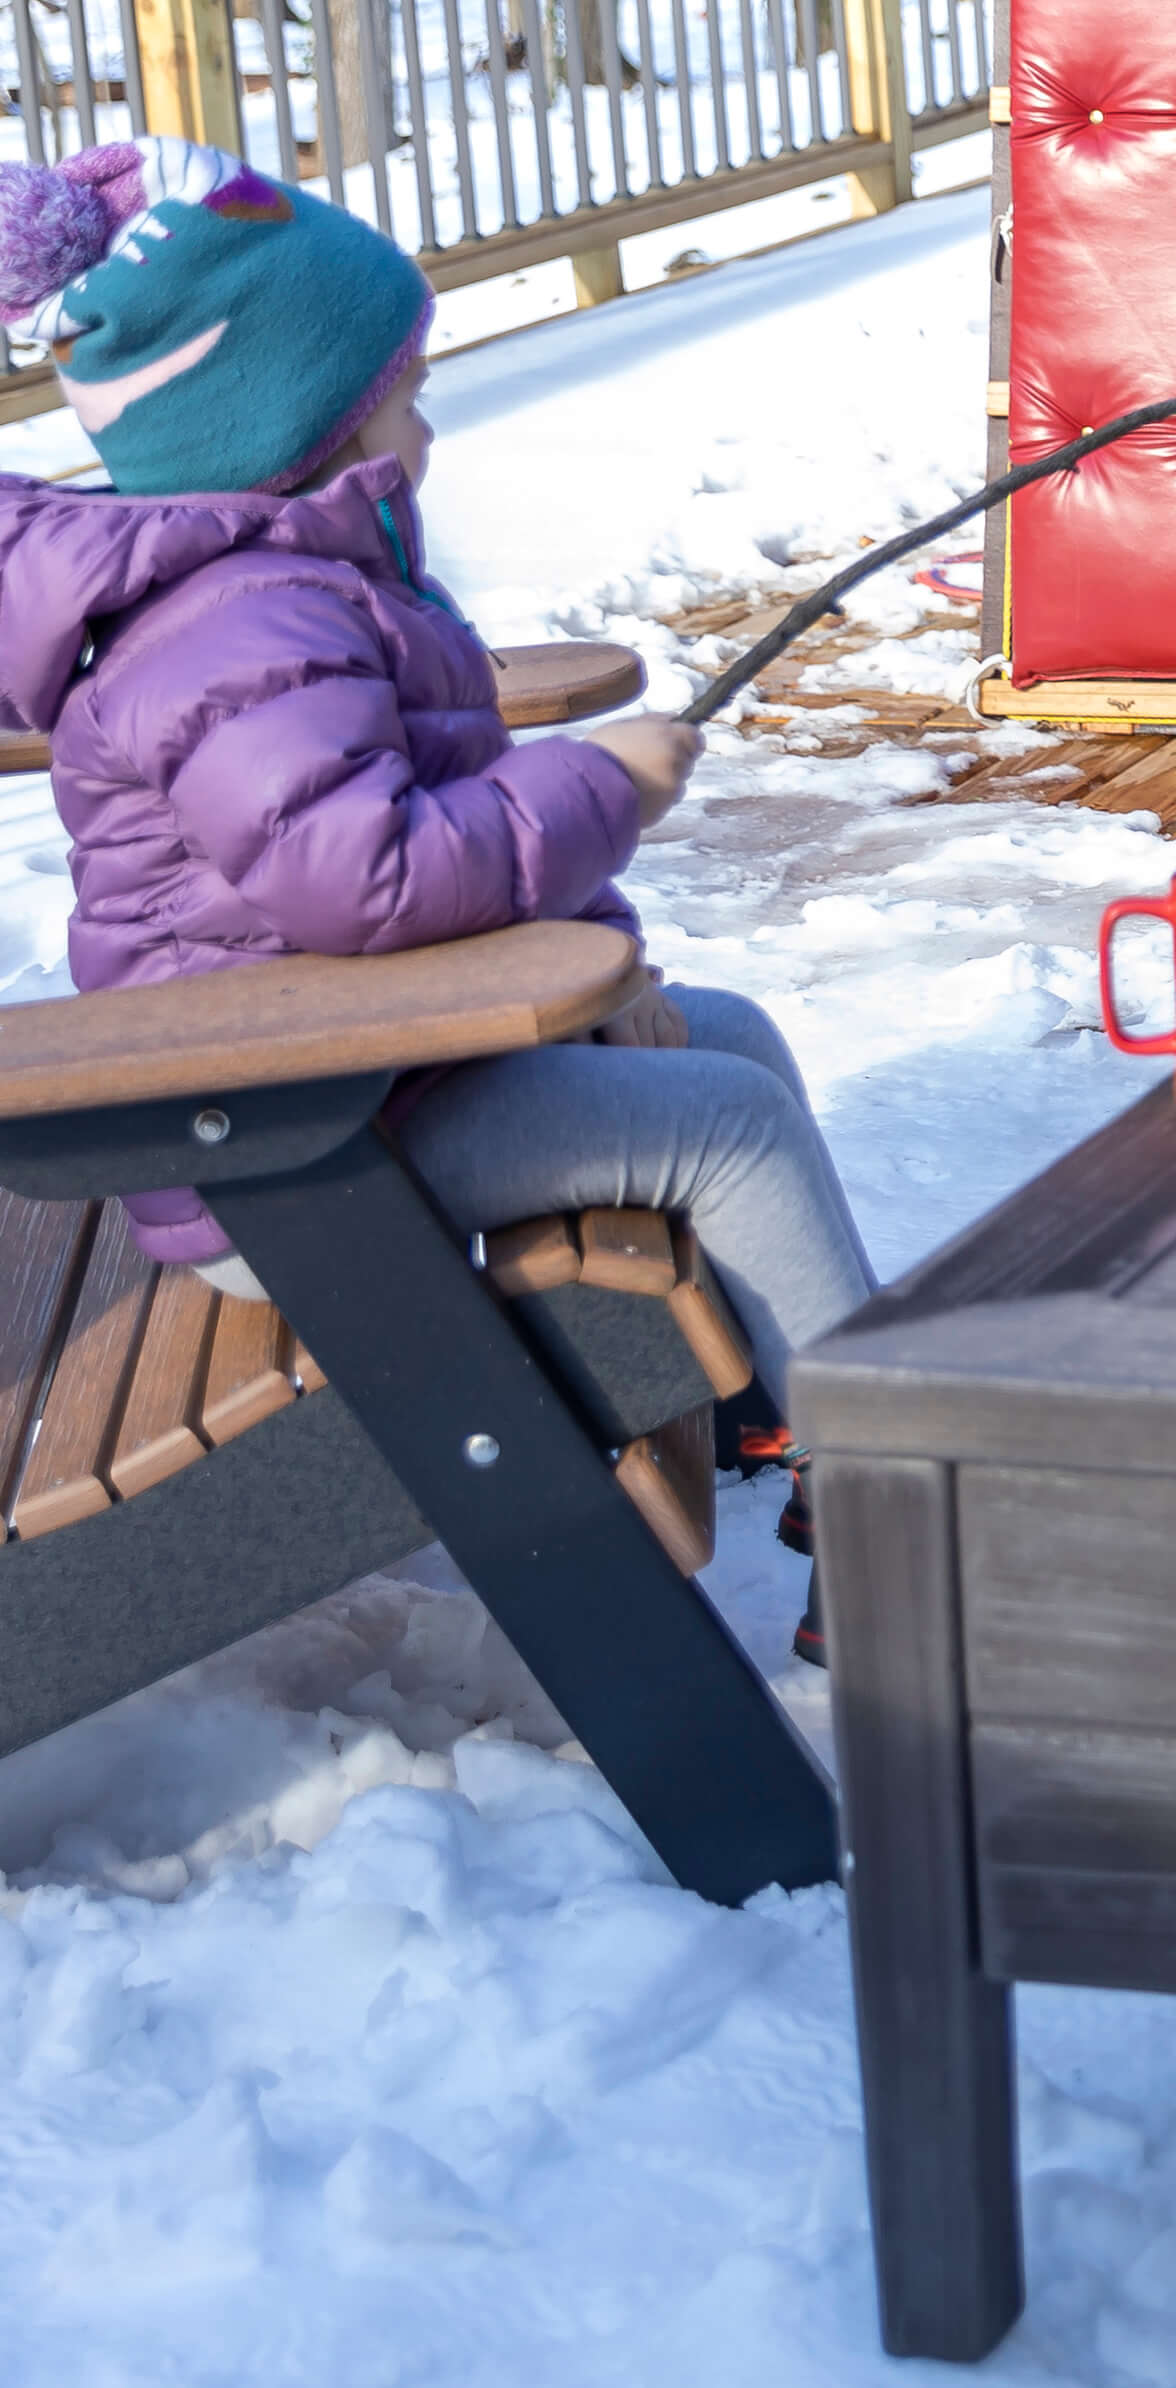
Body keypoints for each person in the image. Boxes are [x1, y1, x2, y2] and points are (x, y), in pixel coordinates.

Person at [0, 139, 875, 1660]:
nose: (426, 415)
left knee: (723, 1039)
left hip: (348, 1078)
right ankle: (905, 1532)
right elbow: (369, 876)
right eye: (399, 389)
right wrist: (604, 785)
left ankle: (784, 1423)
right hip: (282, 1145)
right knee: (723, 1126)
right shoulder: (246, 624)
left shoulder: (285, 583)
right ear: (296, 428)